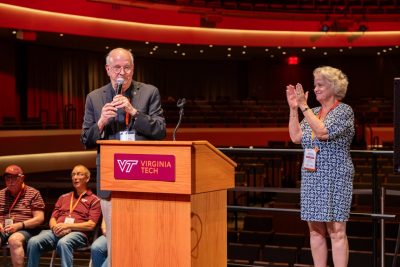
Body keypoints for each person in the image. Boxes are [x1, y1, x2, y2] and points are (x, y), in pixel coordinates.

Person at [80, 47, 166, 265]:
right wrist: (101, 122)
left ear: (133, 69)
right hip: (111, 182)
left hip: (143, 179)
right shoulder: (94, 98)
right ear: (108, 69)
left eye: (127, 67)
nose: (122, 72)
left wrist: (134, 112)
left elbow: (160, 131)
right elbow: (86, 140)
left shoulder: (149, 92)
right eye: (117, 67)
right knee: (115, 242)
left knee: (142, 238)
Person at [286, 66, 354, 267]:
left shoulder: (344, 111)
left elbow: (323, 132)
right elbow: (296, 137)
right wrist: (293, 108)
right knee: (315, 230)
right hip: (312, 177)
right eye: (314, 85)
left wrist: (303, 107)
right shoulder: (313, 111)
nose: (315, 89)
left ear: (334, 87)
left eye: (320, 85)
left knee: (336, 231)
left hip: (335, 176)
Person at [26, 165, 101, 267]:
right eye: (73, 175)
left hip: (78, 233)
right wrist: (55, 227)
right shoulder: (63, 197)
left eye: (79, 174)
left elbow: (91, 225)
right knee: (33, 241)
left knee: (64, 242)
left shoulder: (94, 200)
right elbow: (53, 218)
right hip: (57, 231)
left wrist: (68, 226)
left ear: (87, 178)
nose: (75, 177)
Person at [0, 165, 45, 267]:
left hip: (26, 229)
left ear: (22, 178)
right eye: (7, 178)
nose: (10, 181)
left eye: (14, 177)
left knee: (14, 240)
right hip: (4, 229)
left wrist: (19, 225)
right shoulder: (1, 194)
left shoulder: (33, 193)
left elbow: (39, 218)